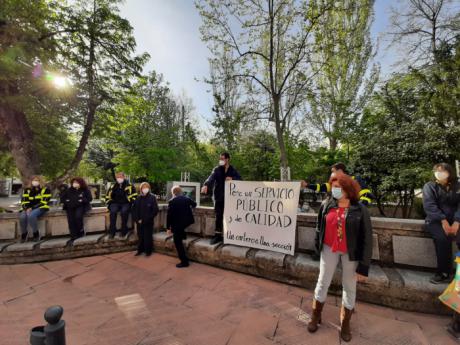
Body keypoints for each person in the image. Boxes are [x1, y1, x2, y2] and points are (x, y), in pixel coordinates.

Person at [308, 173, 373, 342]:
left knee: (349, 286)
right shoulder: (326, 204)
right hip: (329, 249)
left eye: (339, 187)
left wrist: (364, 266)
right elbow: (318, 227)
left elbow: (367, 238)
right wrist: (317, 247)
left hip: (350, 253)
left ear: (348, 189)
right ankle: (316, 316)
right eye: (334, 187)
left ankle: (345, 323)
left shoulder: (360, 209)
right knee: (323, 282)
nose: (335, 190)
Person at [423, 163, 460, 284]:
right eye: (436, 171)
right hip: (435, 220)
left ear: (450, 172)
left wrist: (457, 221)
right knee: (442, 239)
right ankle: (443, 272)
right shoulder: (429, 186)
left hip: (456, 220)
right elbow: (430, 206)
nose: (439, 173)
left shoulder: (458, 185)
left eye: (442, 171)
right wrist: (443, 221)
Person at [201, 152, 241, 244]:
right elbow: (210, 178)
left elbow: (240, 179)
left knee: (229, 217)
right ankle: (217, 236)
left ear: (227, 159)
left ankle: (230, 236)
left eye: (222, 159)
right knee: (218, 216)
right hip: (218, 197)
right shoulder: (217, 169)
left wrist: (232, 179)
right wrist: (205, 185)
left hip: (230, 198)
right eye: (220, 159)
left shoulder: (232, 170)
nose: (221, 160)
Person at [301, 163, 374, 206]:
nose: (332, 174)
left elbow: (366, 195)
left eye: (333, 171)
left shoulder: (355, 179)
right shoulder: (335, 182)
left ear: (340, 171)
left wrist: (357, 208)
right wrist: (307, 185)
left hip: (353, 214)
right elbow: (321, 187)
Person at [167, 185, 197, 268]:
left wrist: (168, 228)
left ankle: (184, 262)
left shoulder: (171, 201)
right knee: (180, 232)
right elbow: (194, 204)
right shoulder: (186, 199)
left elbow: (169, 216)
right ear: (180, 192)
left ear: (173, 193)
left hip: (177, 225)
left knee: (177, 242)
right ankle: (183, 235)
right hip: (186, 222)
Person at [104, 172, 137, 238]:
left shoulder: (130, 185)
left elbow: (135, 196)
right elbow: (107, 196)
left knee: (124, 212)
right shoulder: (112, 186)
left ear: (124, 177)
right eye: (117, 177)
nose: (119, 178)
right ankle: (112, 232)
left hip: (126, 203)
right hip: (115, 203)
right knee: (112, 212)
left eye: (120, 177)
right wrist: (110, 203)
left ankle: (124, 231)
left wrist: (130, 201)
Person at [19, 176, 51, 242]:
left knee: (32, 216)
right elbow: (24, 201)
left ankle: (36, 234)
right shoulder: (27, 190)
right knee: (22, 217)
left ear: (40, 181)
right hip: (28, 208)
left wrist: (32, 208)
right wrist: (26, 208)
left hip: (41, 207)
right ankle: (24, 233)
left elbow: (44, 202)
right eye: (33, 180)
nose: (35, 182)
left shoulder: (46, 190)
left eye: (37, 180)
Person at [132, 182, 159, 257]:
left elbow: (155, 210)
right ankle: (140, 250)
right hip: (139, 222)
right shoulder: (138, 197)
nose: (145, 189)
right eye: (143, 187)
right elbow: (134, 210)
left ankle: (148, 251)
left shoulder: (152, 197)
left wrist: (145, 219)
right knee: (140, 236)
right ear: (141, 189)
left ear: (149, 188)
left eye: (146, 187)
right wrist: (137, 220)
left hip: (148, 221)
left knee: (148, 236)